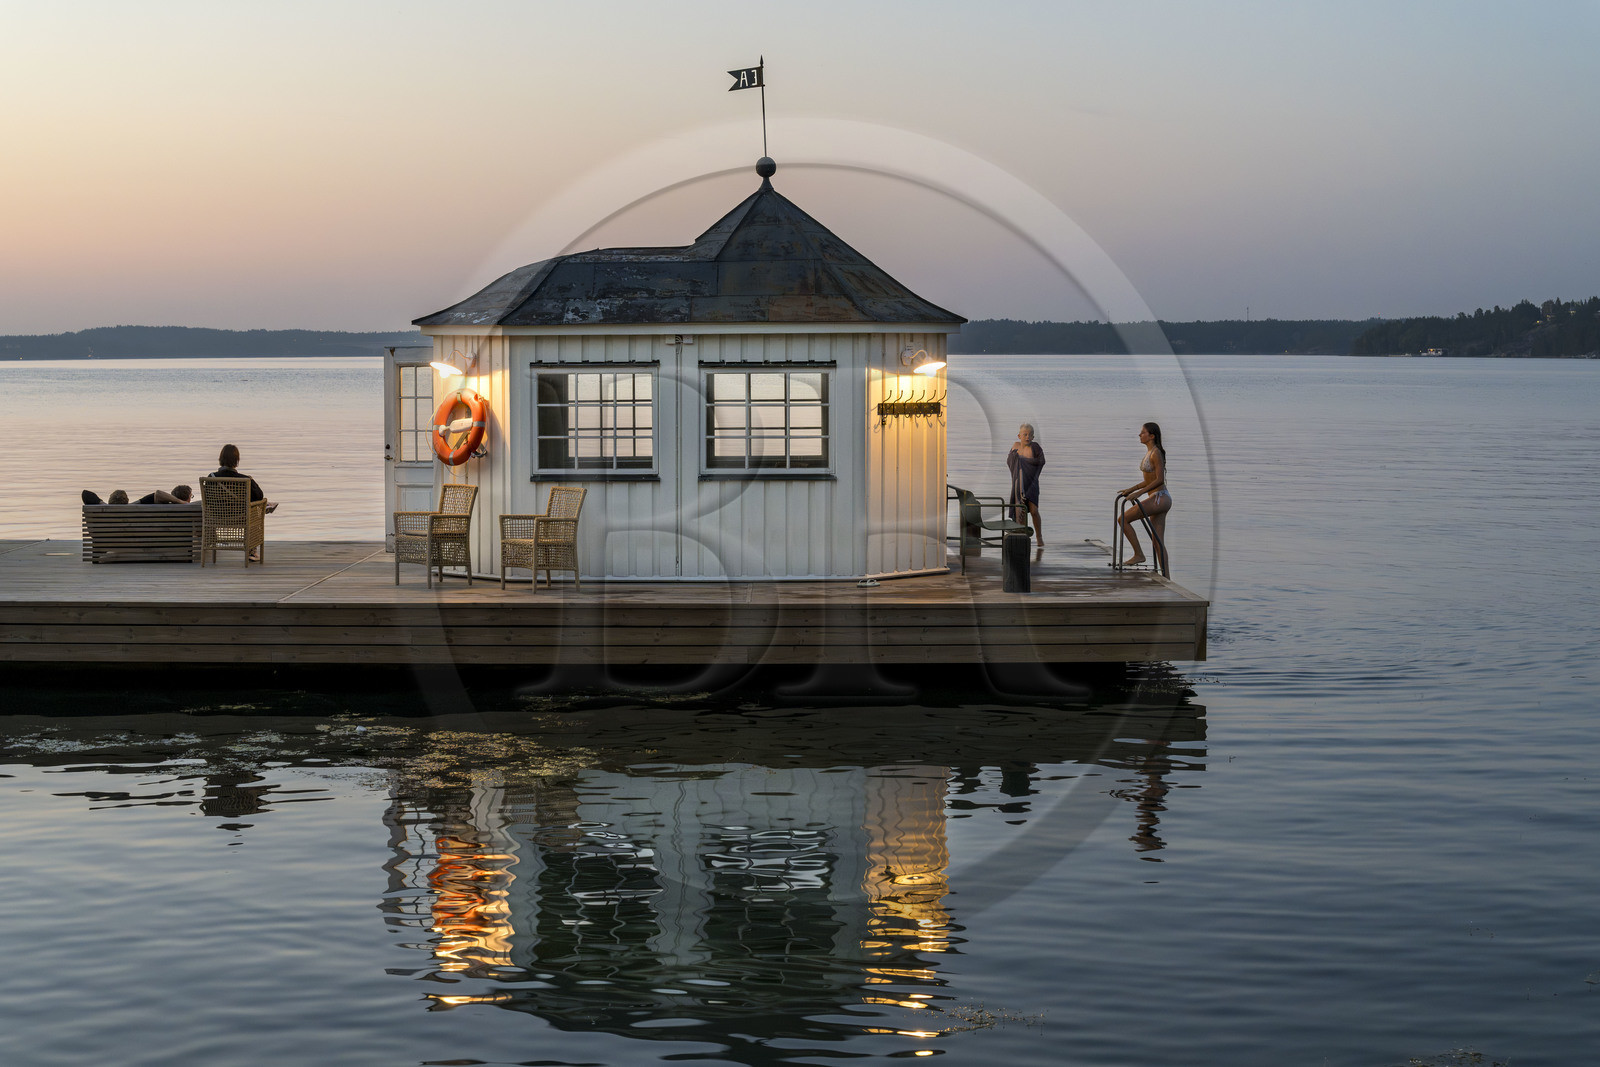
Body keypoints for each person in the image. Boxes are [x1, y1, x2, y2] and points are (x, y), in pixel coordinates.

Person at [1117, 421, 1171, 568]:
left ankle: (1139, 554)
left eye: (1143, 432)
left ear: (1151, 436)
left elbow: (1160, 480)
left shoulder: (1156, 453)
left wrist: (1139, 493)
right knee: (1157, 541)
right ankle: (1167, 577)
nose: (1139, 434)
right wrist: (1131, 489)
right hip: (1158, 498)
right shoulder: (1150, 452)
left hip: (1160, 497)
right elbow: (1148, 480)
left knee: (1123, 519)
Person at [1006, 422, 1045, 547]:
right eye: (1025, 434)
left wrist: (1024, 460)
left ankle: (1039, 537)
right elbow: (1009, 462)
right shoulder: (1015, 446)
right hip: (1018, 483)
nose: (1028, 437)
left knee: (1034, 510)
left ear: (1033, 437)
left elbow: (1041, 461)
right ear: (1019, 436)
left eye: (1030, 435)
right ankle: (1022, 538)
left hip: (1032, 484)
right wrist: (1017, 459)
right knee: (1020, 510)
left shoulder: (1035, 447)